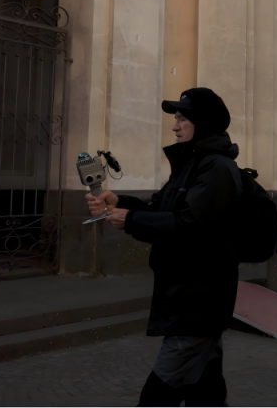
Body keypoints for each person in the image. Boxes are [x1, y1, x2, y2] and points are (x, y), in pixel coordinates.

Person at [87, 87, 241, 407]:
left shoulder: (217, 169)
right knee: (206, 389)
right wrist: (119, 202)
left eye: (182, 119)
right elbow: (160, 207)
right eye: (176, 119)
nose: (174, 126)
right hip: (186, 296)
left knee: (158, 395)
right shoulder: (192, 164)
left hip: (199, 300)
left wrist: (131, 220)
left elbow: (190, 225)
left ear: (202, 123)